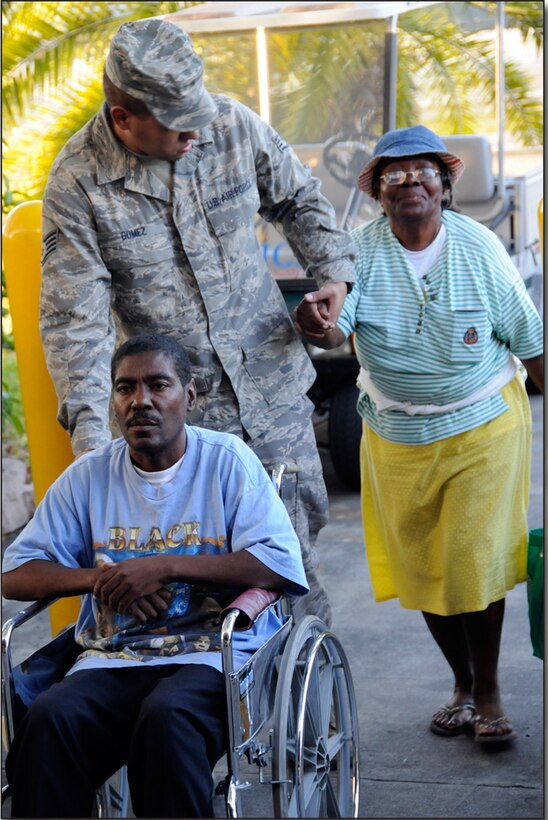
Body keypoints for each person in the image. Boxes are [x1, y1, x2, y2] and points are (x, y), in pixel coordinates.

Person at [39, 18, 356, 628]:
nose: (195, 129)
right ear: (123, 116)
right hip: (180, 431)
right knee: (194, 595)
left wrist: (334, 281)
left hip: (272, 402)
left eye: (197, 110)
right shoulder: (78, 183)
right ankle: (224, 720)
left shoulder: (231, 124)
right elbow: (75, 332)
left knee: (293, 572)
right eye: (175, 121)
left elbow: (301, 199)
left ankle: (303, 716)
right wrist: (103, 467)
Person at [294, 125, 544, 744]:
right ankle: (459, 682)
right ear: (378, 192)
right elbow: (334, 325)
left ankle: (487, 692)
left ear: (445, 184)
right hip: (395, 434)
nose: (410, 182)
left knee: (471, 560)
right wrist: (316, 321)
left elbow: (529, 337)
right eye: (394, 174)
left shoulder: (480, 248)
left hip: (482, 425)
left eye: (423, 171)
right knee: (425, 567)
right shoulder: (359, 251)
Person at [2, 333, 309, 818]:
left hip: (212, 656)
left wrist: (162, 567)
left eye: (157, 385)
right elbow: (14, 574)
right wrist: (106, 581)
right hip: (114, 655)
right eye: (125, 388)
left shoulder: (226, 462)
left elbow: (278, 564)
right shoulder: (89, 476)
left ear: (189, 396)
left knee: (168, 718)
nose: (140, 401)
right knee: (48, 718)